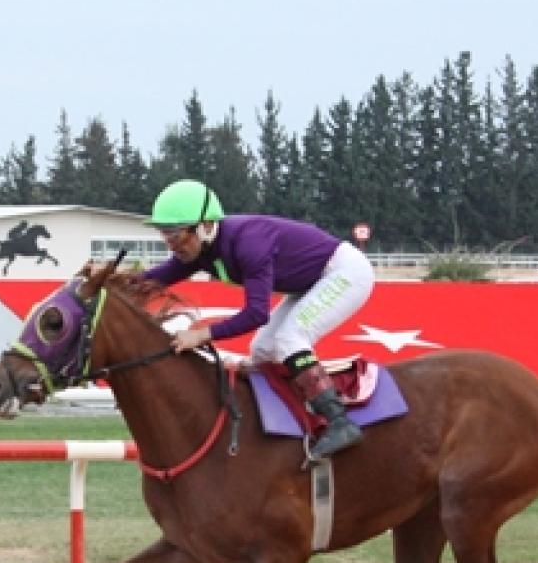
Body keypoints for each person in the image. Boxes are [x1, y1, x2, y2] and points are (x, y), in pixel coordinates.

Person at [140, 179, 376, 460]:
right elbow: (153, 279)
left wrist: (202, 334)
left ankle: (339, 421)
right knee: (262, 349)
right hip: (312, 281)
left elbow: (256, 313)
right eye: (165, 235)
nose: (172, 245)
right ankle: (290, 420)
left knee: (290, 339)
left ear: (204, 226)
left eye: (176, 235)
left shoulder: (248, 243)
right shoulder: (200, 248)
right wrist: (102, 281)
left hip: (344, 272)